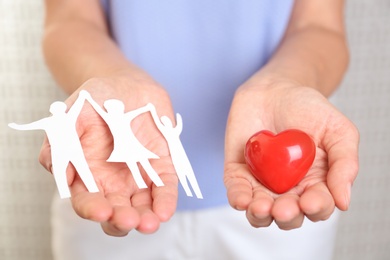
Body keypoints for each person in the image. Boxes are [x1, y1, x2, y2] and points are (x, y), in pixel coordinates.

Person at [41, 0, 359, 259]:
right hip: (109, 178)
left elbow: (318, 25)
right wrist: (112, 77)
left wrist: (286, 82)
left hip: (283, 203)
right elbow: (70, 18)